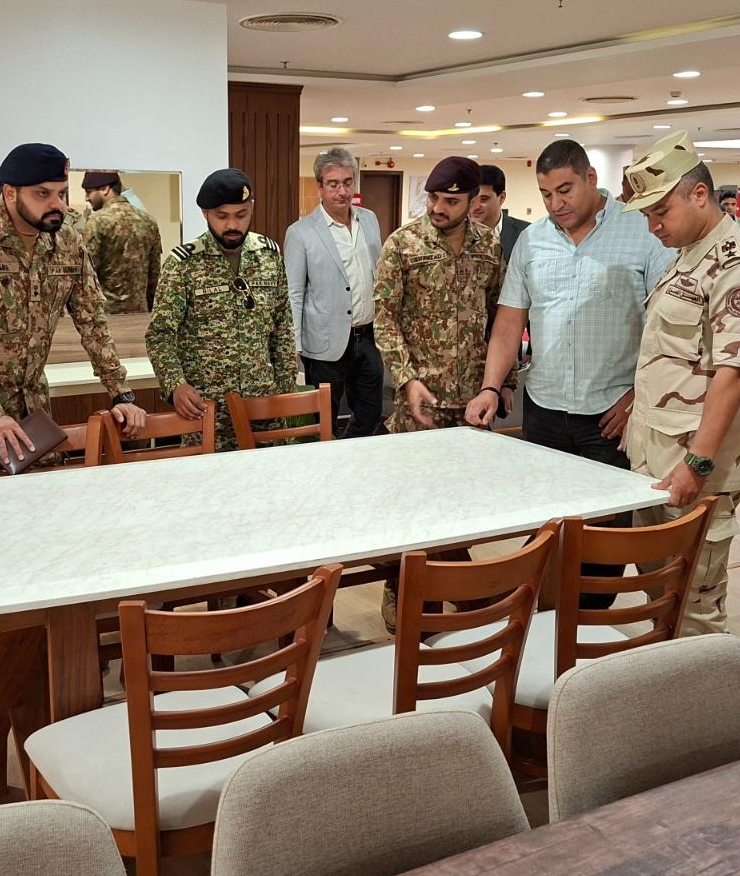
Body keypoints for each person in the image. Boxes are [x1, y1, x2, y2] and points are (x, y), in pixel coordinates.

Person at [466, 138, 673, 608]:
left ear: (591, 178)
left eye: (565, 190)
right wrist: (490, 386)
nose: (556, 204)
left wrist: (639, 396)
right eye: (546, 194)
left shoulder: (641, 232)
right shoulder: (533, 241)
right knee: (546, 532)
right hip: (545, 411)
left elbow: (665, 329)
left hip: (611, 417)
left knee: (603, 546)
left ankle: (586, 635)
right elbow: (509, 321)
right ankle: (545, 629)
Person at [0, 142, 146, 481]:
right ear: (10, 192)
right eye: (43, 194)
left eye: (61, 193)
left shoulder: (66, 240)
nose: (57, 205)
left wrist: (120, 392)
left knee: (35, 502)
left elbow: (92, 318)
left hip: (27, 405)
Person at [622, 131, 740, 635]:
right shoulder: (690, 255)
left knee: (693, 606)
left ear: (698, 194)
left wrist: (697, 463)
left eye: (660, 211)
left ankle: (703, 688)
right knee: (660, 595)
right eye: (646, 215)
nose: (653, 226)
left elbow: (734, 374)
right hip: (656, 460)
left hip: (695, 469)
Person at [373, 154, 509, 630]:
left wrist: (502, 383)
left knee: (461, 504)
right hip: (420, 400)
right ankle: (405, 592)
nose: (437, 208)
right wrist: (406, 378)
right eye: (433, 198)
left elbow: (499, 317)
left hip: (472, 401)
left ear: (474, 201)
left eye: (450, 201)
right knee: (412, 504)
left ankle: (457, 588)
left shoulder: (488, 246)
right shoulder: (403, 244)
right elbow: (385, 318)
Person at [146, 168, 298, 451]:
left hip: (263, 404)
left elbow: (282, 326)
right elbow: (160, 335)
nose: (232, 225)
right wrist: (175, 385)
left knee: (271, 476)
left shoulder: (268, 256)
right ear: (205, 213)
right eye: (222, 216)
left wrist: (284, 387)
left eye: (241, 215)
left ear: (252, 208)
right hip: (206, 408)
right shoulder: (183, 265)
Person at [283, 147, 383, 439]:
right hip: (324, 344)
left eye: (348, 183)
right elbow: (294, 294)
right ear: (320, 187)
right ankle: (330, 458)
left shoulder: (369, 219)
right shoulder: (300, 232)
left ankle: (349, 454)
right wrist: (294, 347)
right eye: (333, 184)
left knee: (370, 414)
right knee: (323, 420)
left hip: (368, 337)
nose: (342, 191)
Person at [81, 170, 163, 313]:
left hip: (106, 314)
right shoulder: (148, 221)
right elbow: (154, 274)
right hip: (140, 313)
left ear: (105, 189)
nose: (87, 198)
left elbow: (87, 274)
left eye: (89, 192)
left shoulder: (97, 221)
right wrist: (152, 310)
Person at [471, 163, 529, 265]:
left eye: (483, 199)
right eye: (471, 199)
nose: (475, 207)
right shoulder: (455, 234)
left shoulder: (527, 233)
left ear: (502, 197)